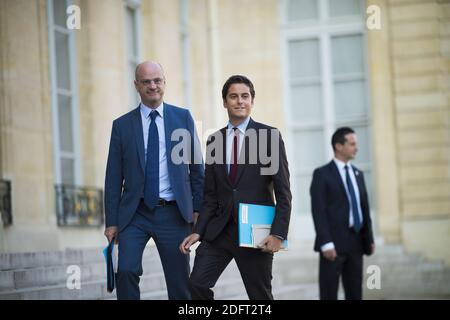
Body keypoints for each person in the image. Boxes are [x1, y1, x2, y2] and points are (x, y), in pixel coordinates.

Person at [179, 75, 292, 300]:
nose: (240, 101)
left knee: (260, 296)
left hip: (255, 234)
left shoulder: (269, 137)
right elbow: (210, 195)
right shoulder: (214, 141)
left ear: (252, 101)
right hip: (219, 232)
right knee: (196, 285)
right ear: (224, 102)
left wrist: (278, 233)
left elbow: (283, 192)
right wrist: (198, 230)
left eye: (245, 96)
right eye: (233, 96)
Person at [104, 61, 204, 300]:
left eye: (157, 80)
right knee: (126, 270)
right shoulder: (121, 125)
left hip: (173, 213)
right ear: (136, 85)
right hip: (134, 214)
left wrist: (198, 211)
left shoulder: (183, 118)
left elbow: (197, 170)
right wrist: (112, 221)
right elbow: (113, 177)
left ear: (164, 83)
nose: (152, 86)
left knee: (180, 283)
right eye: (146, 81)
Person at [310, 127, 375, 300]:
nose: (357, 148)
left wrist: (369, 238)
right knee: (329, 293)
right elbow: (319, 211)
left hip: (356, 242)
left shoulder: (358, 174)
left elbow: (364, 209)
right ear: (339, 146)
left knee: (355, 293)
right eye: (352, 144)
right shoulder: (322, 174)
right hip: (333, 244)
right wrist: (326, 243)